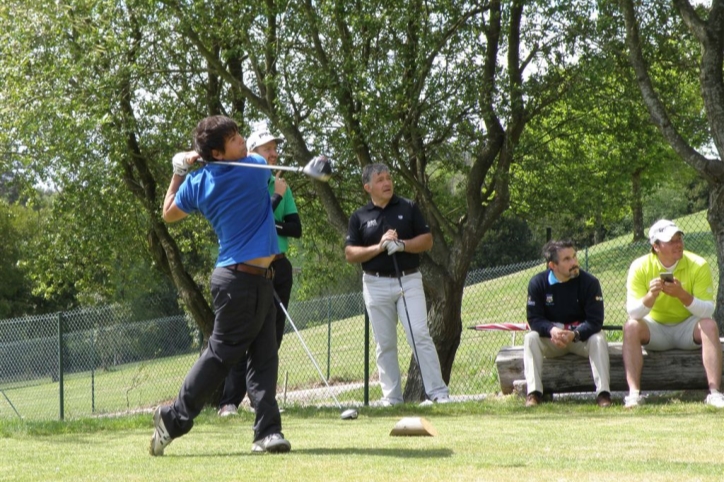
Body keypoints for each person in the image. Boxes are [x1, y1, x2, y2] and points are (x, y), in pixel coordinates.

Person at [150, 115, 291, 456]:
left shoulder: (200, 182)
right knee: (220, 356)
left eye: (240, 134)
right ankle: (172, 418)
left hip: (254, 279)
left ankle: (267, 432)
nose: (244, 141)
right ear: (218, 151)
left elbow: (168, 212)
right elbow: (265, 170)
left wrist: (180, 169)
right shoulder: (254, 167)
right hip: (238, 281)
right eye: (235, 139)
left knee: (265, 354)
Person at [344, 163, 450, 406]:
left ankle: (438, 393)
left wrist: (402, 245)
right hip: (374, 283)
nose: (387, 183)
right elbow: (350, 254)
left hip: (409, 279)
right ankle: (392, 398)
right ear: (368, 187)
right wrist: (378, 247)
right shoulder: (360, 217)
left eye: (389, 177)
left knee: (419, 334)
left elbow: (427, 241)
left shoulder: (408, 207)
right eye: (380, 179)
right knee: (385, 343)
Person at [218, 125, 302, 417]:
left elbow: (295, 228)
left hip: (279, 267)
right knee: (242, 337)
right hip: (247, 270)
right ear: (251, 154)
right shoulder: (245, 183)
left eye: (275, 149)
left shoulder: (281, 185)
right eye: (268, 149)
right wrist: (274, 200)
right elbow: (253, 220)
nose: (274, 153)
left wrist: (276, 209)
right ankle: (229, 400)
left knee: (271, 338)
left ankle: (260, 401)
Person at [623, 219, 724, 409]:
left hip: (687, 327)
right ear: (655, 246)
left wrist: (682, 295)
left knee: (709, 325)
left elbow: (708, 310)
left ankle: (715, 393)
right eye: (671, 241)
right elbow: (633, 312)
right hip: (656, 329)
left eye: (679, 238)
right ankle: (634, 395)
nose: (678, 244)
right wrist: (650, 297)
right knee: (630, 327)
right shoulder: (639, 266)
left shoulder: (698, 264)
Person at [524, 240, 611, 407]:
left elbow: (595, 320)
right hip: (553, 341)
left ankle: (603, 394)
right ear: (552, 265)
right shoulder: (538, 283)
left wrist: (575, 334)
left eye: (574, 256)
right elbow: (534, 319)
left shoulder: (590, 282)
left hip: (580, 339)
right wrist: (551, 330)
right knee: (531, 338)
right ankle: (534, 394)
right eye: (567, 259)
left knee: (599, 338)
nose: (574, 263)